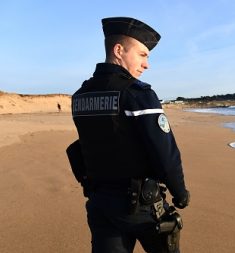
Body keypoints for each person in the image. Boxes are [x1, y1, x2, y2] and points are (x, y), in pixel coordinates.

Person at [67, 17, 190, 253]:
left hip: (100, 205)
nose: (147, 65)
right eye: (143, 55)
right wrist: (180, 193)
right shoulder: (138, 94)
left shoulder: (80, 96)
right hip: (140, 208)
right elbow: (165, 153)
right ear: (119, 50)